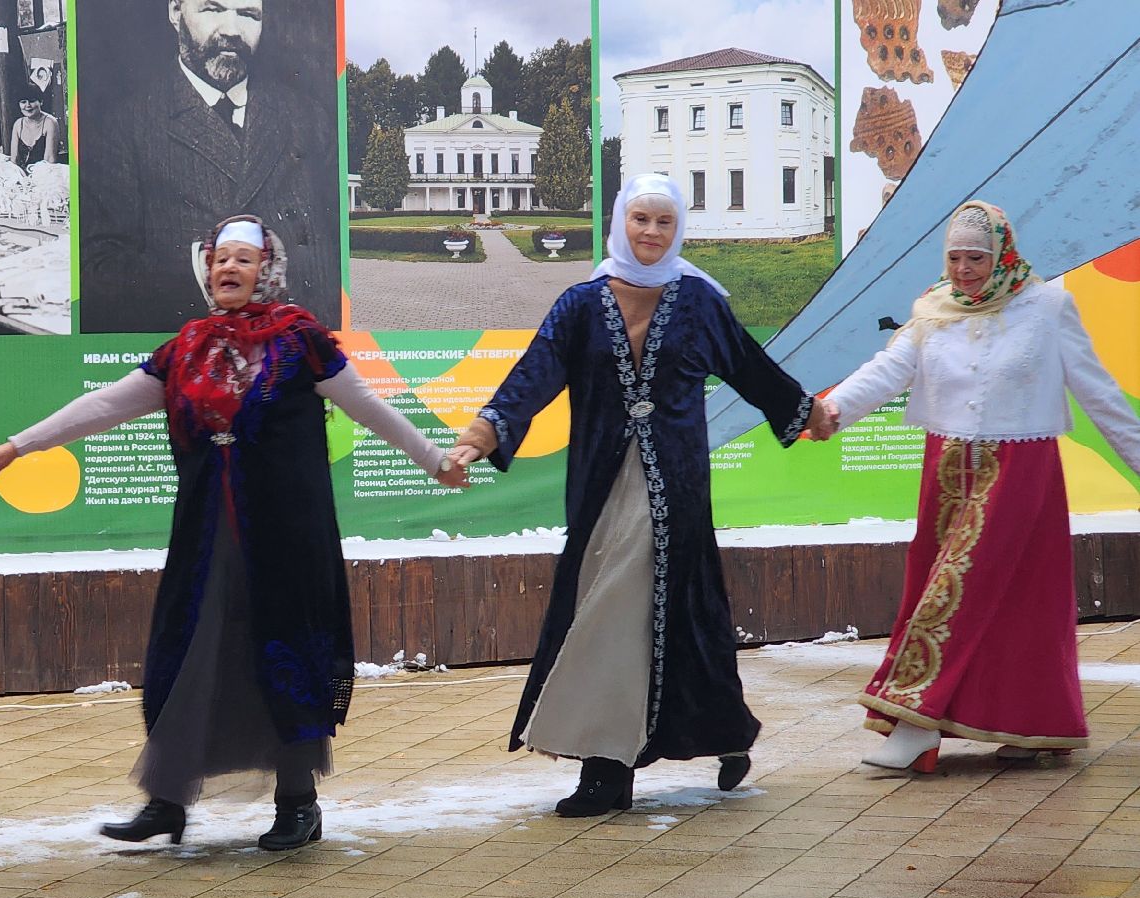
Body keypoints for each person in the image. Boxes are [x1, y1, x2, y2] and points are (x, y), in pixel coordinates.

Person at [0, 216, 468, 850]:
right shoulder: (186, 348)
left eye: (244, 259)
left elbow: (369, 407)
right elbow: (102, 404)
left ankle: (298, 802)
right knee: (188, 655)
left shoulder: (301, 341)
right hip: (208, 538)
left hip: (287, 538)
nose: (229, 269)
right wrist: (15, 449)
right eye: (220, 259)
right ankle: (168, 801)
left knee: (288, 653)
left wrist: (435, 460)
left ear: (269, 269)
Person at [444, 174, 828, 817]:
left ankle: (607, 771)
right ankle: (724, 732)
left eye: (664, 223)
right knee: (657, 615)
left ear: (678, 230)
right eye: (640, 220)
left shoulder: (701, 303)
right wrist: (480, 435)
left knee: (619, 610)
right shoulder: (579, 303)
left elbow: (750, 365)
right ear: (619, 222)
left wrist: (804, 411)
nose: (651, 233)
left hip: (673, 489)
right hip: (600, 487)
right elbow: (531, 375)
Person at [815, 201, 1140, 773]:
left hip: (1019, 472)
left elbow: (1100, 394)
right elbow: (889, 369)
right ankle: (1033, 725)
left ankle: (916, 722)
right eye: (956, 257)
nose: (965, 270)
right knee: (1011, 601)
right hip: (947, 471)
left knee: (957, 588)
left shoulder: (1047, 308)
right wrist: (831, 410)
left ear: (1003, 255)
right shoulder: (934, 309)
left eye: (978, 258)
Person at [78, 0, 341, 333]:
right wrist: (209, 268)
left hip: (307, 357)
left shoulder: (307, 117)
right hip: (201, 365)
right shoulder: (124, 128)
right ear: (176, 11)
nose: (231, 30)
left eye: (248, 15)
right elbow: (98, 270)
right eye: (213, 9)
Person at [7, 90, 57, 168]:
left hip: (45, 173)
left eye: (32, 101)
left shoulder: (50, 122)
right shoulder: (18, 124)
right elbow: (14, 159)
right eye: (23, 102)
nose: (28, 105)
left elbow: (50, 160)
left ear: (41, 102)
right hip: (22, 175)